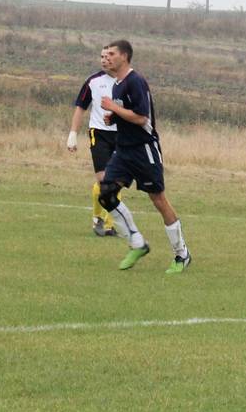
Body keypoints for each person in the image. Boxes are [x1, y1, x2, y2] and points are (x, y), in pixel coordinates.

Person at [96, 39, 191, 274]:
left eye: (112, 54)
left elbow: (141, 118)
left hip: (144, 149)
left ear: (124, 56)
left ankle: (181, 254)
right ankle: (137, 243)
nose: (107, 58)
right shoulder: (118, 85)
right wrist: (113, 117)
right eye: (105, 54)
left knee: (158, 199)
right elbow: (126, 114)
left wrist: (113, 108)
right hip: (124, 150)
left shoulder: (135, 81)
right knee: (106, 193)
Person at [66, 45, 119, 237]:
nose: (104, 60)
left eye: (108, 56)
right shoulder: (93, 81)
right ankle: (98, 217)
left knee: (116, 181)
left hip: (121, 135)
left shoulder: (128, 81)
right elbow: (80, 107)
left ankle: (109, 225)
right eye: (101, 56)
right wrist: (73, 134)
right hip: (99, 134)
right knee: (104, 180)